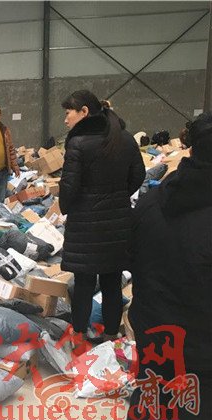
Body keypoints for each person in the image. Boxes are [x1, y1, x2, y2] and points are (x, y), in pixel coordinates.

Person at [118, 112, 212, 420]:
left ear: (191, 150)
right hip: (203, 350)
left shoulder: (151, 202)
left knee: (145, 419)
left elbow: (129, 259)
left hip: (156, 336)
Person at [58, 90, 145, 343]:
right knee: (111, 282)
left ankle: (78, 336)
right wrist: (118, 197)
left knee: (84, 284)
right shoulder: (124, 138)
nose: (65, 119)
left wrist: (69, 207)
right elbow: (138, 175)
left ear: (84, 112)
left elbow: (69, 186)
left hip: (85, 225)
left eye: (68, 113)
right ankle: (110, 335)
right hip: (117, 224)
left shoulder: (78, 143)